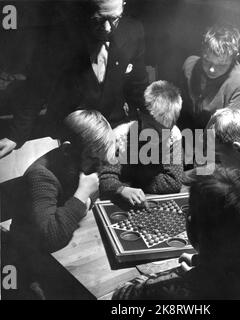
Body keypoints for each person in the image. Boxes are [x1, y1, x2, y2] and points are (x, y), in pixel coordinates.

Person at [0, 0, 148, 158]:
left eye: (115, 18)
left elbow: (138, 85)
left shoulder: (133, 31)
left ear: (123, 5)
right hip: (70, 136)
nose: (107, 28)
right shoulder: (58, 38)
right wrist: (15, 136)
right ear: (84, 12)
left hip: (113, 129)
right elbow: (36, 90)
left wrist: (157, 121)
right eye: (98, 20)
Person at [112, 168, 240, 300]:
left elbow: (120, 295)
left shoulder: (161, 289)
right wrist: (200, 263)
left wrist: (180, 273)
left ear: (191, 226)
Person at [9, 110, 115, 253]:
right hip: (29, 254)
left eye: (102, 160)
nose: (99, 167)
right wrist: (81, 195)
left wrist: (86, 200)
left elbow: (96, 182)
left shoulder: (82, 164)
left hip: (67, 242)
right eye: (92, 159)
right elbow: (50, 238)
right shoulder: (41, 177)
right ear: (67, 149)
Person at [100, 80, 183, 206]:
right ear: (140, 115)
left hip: (150, 200)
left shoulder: (174, 136)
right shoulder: (119, 137)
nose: (159, 135)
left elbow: (173, 182)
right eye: (152, 127)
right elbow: (105, 180)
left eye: (165, 129)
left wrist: (128, 181)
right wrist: (122, 189)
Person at [179, 25, 240, 131]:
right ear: (203, 52)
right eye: (207, 61)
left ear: (232, 59)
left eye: (221, 65)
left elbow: (235, 135)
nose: (212, 69)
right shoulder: (189, 66)